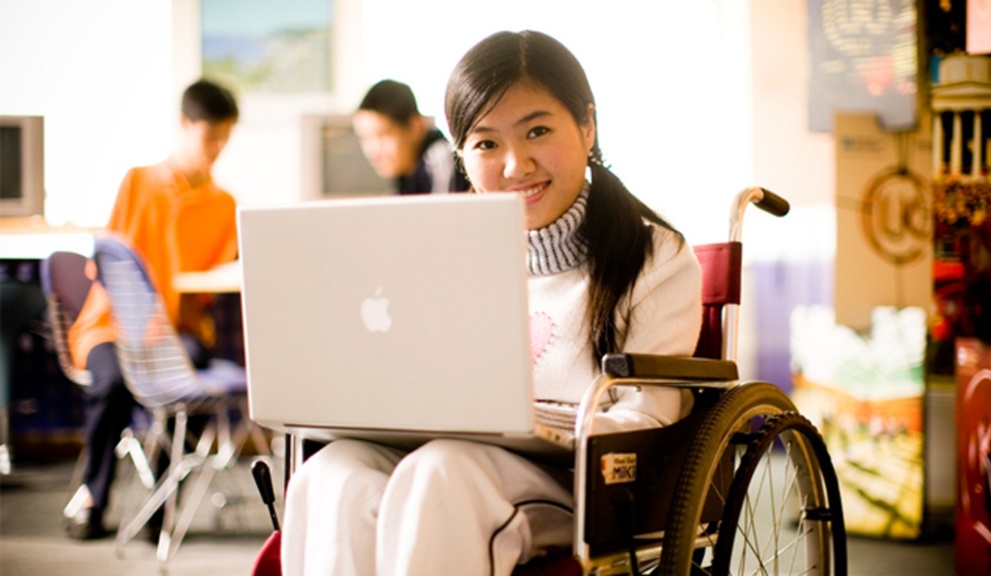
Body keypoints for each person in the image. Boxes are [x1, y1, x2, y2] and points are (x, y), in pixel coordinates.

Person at [281, 30, 702, 575]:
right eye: (486, 144)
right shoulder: (441, 250)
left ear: (587, 126)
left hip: (579, 480)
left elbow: (648, 414)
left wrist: (536, 424)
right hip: (450, 452)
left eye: (538, 131)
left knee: (442, 469)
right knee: (332, 471)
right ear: (460, 154)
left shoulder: (654, 255)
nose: (514, 165)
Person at [63, 79, 241, 540]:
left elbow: (211, 286)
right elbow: (110, 264)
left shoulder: (225, 205)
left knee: (190, 375)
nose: (217, 148)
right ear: (183, 126)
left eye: (226, 137)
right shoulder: (139, 182)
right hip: (112, 326)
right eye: (210, 137)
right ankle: (92, 497)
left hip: (177, 333)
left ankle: (161, 505)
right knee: (113, 382)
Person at [353, 79, 468, 194]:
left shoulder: (439, 157)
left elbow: (443, 210)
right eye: (365, 138)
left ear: (415, 127)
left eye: (384, 135)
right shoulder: (404, 175)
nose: (373, 151)